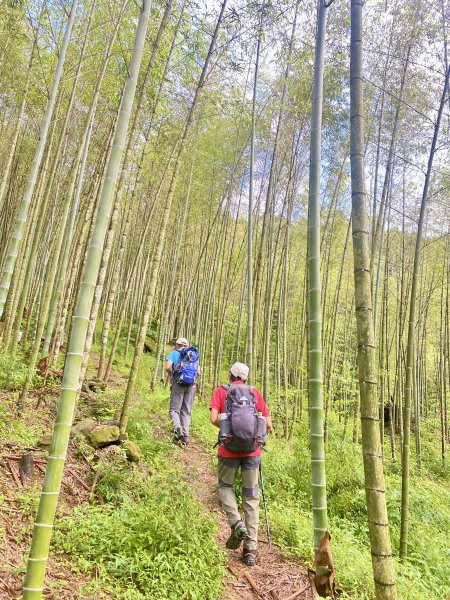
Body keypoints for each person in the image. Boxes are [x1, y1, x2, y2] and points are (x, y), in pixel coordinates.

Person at [209, 362, 273, 567]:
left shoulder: (222, 391)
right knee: (251, 496)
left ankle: (236, 523)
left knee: (225, 486)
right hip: (253, 451)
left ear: (230, 376)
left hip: (228, 449)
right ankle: (250, 551)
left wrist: (229, 429)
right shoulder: (255, 393)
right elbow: (268, 424)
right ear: (246, 378)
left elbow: (213, 419)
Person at [165, 337, 200, 446]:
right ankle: (185, 437)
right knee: (186, 411)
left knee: (174, 410)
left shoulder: (174, 353)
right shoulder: (193, 355)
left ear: (177, 345)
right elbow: (199, 372)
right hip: (191, 385)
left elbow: (167, 367)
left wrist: (173, 376)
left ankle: (177, 428)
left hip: (178, 384)